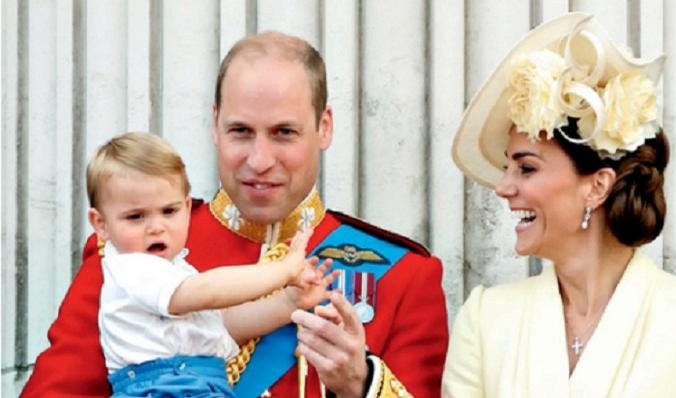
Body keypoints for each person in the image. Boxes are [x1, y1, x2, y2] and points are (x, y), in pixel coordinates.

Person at [22, 31, 448, 398]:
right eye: (241, 131)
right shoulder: (132, 247)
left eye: (284, 132)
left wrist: (359, 382)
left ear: (324, 127)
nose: (260, 160)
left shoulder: (403, 276)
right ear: (214, 125)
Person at [443, 13, 676, 397]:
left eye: (526, 168)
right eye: (508, 168)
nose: (503, 188)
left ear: (597, 186)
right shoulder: (486, 319)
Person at [86, 132, 336, 397]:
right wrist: (284, 270)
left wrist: (289, 303)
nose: (156, 227)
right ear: (101, 224)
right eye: (136, 217)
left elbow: (224, 327)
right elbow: (208, 291)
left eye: (169, 211)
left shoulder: (175, 272)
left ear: (186, 207)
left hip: (196, 383)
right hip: (164, 388)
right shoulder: (133, 268)